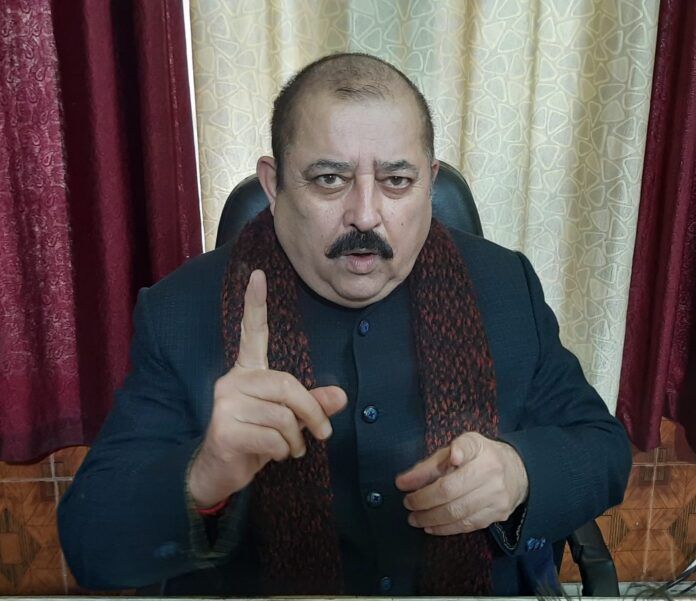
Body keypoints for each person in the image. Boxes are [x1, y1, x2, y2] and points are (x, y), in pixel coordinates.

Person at [58, 52, 631, 596]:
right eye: (329, 179)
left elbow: (603, 448)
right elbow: (90, 543)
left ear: (430, 182)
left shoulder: (505, 287)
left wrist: (520, 471)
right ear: (274, 185)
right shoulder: (180, 311)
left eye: (397, 181)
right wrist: (204, 475)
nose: (364, 214)